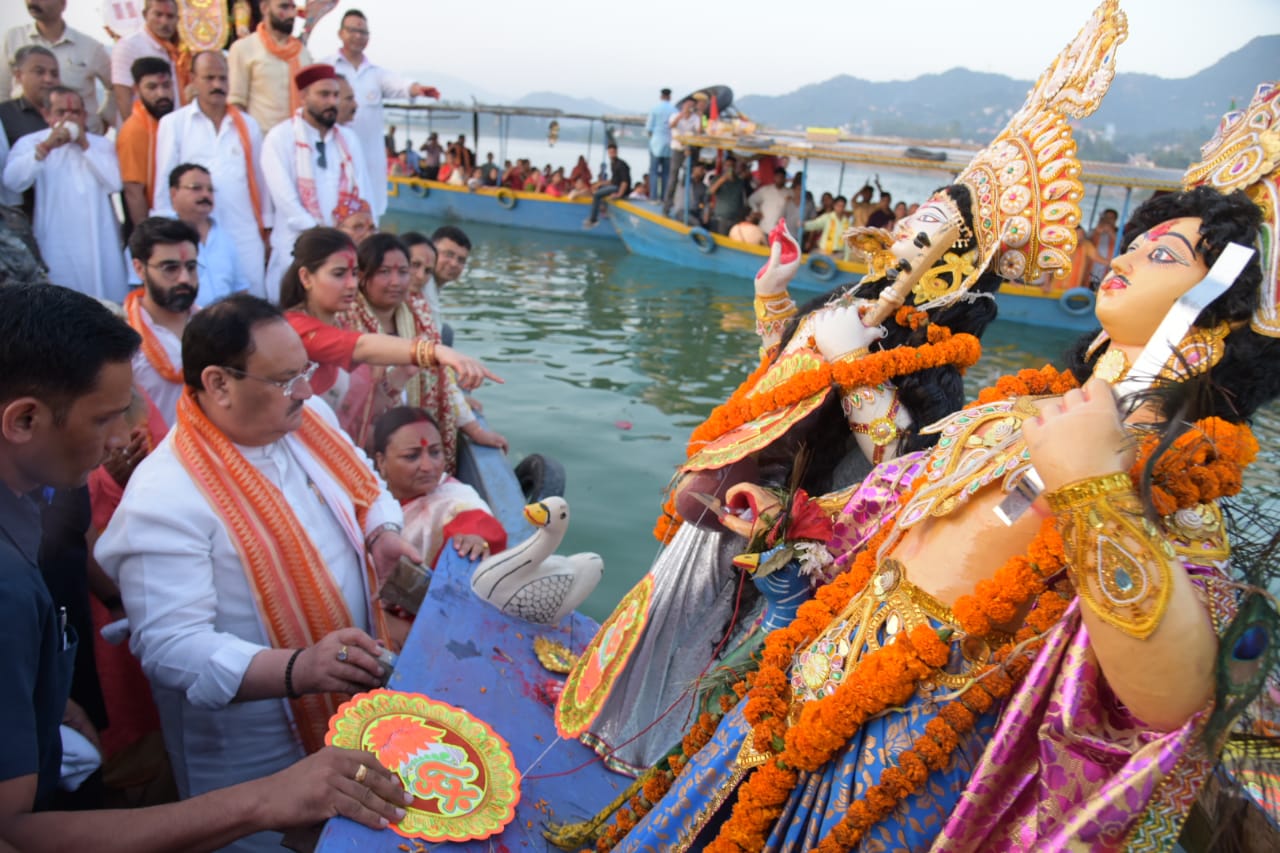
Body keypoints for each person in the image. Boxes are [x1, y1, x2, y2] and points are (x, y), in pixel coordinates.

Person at [0, 282, 414, 853]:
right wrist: (299, 668)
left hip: (340, 709)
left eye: (305, 373)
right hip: (252, 753)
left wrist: (381, 532)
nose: (304, 391)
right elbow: (170, 645)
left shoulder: (308, 419)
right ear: (219, 383)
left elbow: (363, 483)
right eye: (284, 381)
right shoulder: (165, 494)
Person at [276, 227, 499, 414]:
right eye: (339, 274)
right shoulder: (294, 329)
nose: (352, 284)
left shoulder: (341, 325)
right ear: (306, 277)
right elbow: (362, 345)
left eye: (354, 273)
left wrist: (402, 376)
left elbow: (364, 410)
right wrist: (438, 352)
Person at [336, 232, 506, 461]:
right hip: (357, 444)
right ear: (363, 274)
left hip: (415, 445)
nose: (397, 282)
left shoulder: (418, 313)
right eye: (385, 272)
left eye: (403, 272)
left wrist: (474, 430)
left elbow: (443, 381)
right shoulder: (346, 319)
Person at [153, 50, 270, 298]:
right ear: (193, 79)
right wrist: (168, 236)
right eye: (209, 78)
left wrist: (267, 229)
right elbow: (165, 186)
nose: (218, 85)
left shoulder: (247, 124)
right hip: (197, 236)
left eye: (223, 78)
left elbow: (261, 182)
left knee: (253, 304)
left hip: (244, 231)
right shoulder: (174, 124)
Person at [261, 63, 374, 303]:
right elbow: (286, 201)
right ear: (303, 96)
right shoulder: (280, 138)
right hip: (297, 248)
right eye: (323, 94)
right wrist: (322, 237)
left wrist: (362, 232)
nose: (331, 102)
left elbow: (363, 195)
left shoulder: (348, 140)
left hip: (343, 252)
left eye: (335, 95)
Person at [3, 87, 126, 303]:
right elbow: (13, 181)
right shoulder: (32, 142)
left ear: (85, 116)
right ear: (47, 115)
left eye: (76, 113)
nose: (69, 118)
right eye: (61, 113)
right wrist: (46, 148)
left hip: (99, 241)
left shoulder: (100, 144)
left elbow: (115, 183)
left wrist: (84, 145)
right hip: (56, 242)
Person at [323, 8, 438, 218]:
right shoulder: (326, 68)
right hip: (334, 153)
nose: (358, 36)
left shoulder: (375, 73)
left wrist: (417, 89)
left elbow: (399, 84)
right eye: (353, 30)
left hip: (369, 158)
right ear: (341, 33)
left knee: (370, 212)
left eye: (363, 32)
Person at [372, 408, 506, 567]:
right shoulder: (364, 491)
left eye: (435, 452)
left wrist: (474, 539)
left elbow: (477, 523)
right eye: (411, 456)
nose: (428, 466)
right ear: (381, 462)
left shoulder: (453, 499)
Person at [124, 216, 202, 426]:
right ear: (139, 269)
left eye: (191, 267)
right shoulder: (121, 337)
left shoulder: (217, 328)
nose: (184, 278)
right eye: (170, 268)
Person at [0, 0, 113, 135]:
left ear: (62, 3)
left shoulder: (90, 47)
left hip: (80, 138)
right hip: (23, 134)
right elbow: (3, 90)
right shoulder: (13, 38)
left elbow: (116, 88)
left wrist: (102, 121)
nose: (32, 2)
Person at [167, 164, 251, 306]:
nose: (206, 195)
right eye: (196, 188)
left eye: (210, 190)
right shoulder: (160, 238)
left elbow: (240, 290)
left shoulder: (225, 238)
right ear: (174, 193)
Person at [227, 0, 312, 134]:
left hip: (299, 142)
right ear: (265, 8)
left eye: (293, 8)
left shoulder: (303, 53)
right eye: (284, 7)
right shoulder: (244, 48)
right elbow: (236, 104)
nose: (291, 14)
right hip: (261, 143)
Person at [116, 57, 174, 229]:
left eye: (166, 86)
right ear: (136, 90)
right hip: (153, 225)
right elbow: (134, 191)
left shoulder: (170, 122)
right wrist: (148, 236)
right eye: (152, 87)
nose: (162, 94)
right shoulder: (134, 130)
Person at [0, 45, 58, 217]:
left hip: (61, 213)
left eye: (54, 74)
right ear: (19, 76)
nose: (48, 79)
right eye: (39, 72)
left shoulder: (67, 115)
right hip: (21, 216)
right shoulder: (5, 116)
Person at [109, 0, 187, 120]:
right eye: (158, 15)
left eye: (170, 16)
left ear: (178, 19)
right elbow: (122, 98)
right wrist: (134, 133)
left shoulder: (177, 49)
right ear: (145, 15)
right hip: (143, 131)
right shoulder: (129, 46)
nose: (164, 22)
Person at [663, 98, 700, 216]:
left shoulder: (696, 118)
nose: (690, 107)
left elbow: (699, 131)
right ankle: (667, 206)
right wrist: (681, 115)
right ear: (684, 105)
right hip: (678, 148)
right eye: (688, 105)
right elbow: (671, 126)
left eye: (692, 105)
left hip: (689, 148)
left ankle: (686, 205)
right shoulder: (675, 115)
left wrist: (699, 116)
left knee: (689, 176)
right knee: (673, 176)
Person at [586, 143, 630, 227]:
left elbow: (625, 181)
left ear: (617, 152)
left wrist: (619, 194)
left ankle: (593, 219)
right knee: (596, 188)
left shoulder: (621, 165)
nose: (612, 154)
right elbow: (613, 180)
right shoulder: (613, 163)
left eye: (613, 152)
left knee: (597, 195)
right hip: (614, 186)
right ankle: (603, 207)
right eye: (610, 152)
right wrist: (599, 183)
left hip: (619, 188)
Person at [645, 87, 675, 202]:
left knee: (653, 172)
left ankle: (653, 197)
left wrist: (652, 138)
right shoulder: (674, 110)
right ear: (670, 97)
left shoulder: (655, 109)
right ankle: (664, 198)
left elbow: (649, 128)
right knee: (666, 173)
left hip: (656, 143)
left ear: (661, 96)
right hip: (669, 144)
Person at [802, 194, 851, 258]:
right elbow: (815, 224)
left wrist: (846, 258)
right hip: (823, 252)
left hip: (839, 254)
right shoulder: (827, 217)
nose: (840, 208)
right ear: (834, 206)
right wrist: (804, 224)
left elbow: (848, 242)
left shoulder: (847, 222)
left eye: (842, 206)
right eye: (838, 205)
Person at [708, 157, 748, 234]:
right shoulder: (717, 178)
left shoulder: (740, 182)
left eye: (731, 166)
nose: (729, 168)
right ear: (724, 166)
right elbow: (710, 192)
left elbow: (743, 199)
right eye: (727, 166)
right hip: (721, 219)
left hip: (736, 220)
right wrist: (723, 179)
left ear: (735, 167)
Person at [748, 167, 790, 232]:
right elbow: (751, 199)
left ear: (784, 179)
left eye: (781, 177)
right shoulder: (766, 190)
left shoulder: (789, 193)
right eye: (777, 177)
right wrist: (756, 210)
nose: (779, 179)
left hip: (779, 231)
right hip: (763, 228)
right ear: (774, 177)